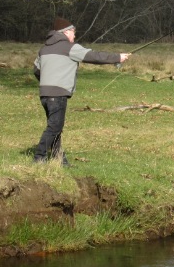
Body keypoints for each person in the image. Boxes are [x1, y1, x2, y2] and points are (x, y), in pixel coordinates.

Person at [33, 17, 130, 166]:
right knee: (54, 127)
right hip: (58, 94)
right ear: (65, 32)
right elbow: (94, 56)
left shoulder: (43, 49)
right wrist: (118, 57)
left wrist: (48, 82)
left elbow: (36, 71)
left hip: (44, 94)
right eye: (73, 32)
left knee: (55, 127)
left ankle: (60, 161)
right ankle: (39, 158)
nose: (74, 35)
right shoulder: (70, 47)